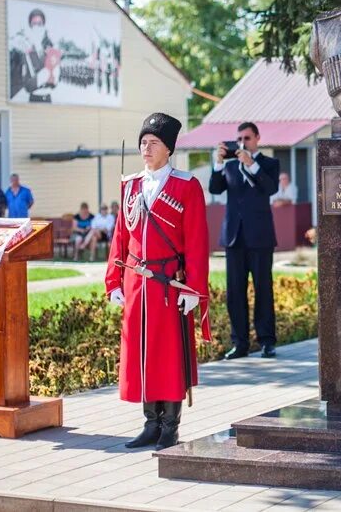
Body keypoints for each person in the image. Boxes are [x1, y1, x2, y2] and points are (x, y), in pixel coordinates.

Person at [105, 112, 210, 450]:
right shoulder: (130, 185)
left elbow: (196, 241)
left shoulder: (186, 186)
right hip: (137, 283)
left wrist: (194, 288)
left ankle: (170, 427)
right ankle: (150, 424)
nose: (145, 148)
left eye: (153, 143)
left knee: (168, 356)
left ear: (169, 149)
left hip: (169, 283)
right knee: (140, 355)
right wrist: (114, 282)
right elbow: (120, 236)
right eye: (143, 143)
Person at [208, 121, 280, 359]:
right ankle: (240, 343)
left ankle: (267, 341)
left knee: (263, 290)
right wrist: (218, 163)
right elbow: (215, 189)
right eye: (239, 139)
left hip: (260, 237)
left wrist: (253, 165)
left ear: (257, 138)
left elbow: (270, 189)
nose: (242, 143)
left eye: (247, 138)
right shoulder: (229, 167)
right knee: (235, 293)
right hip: (234, 237)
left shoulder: (269, 163)